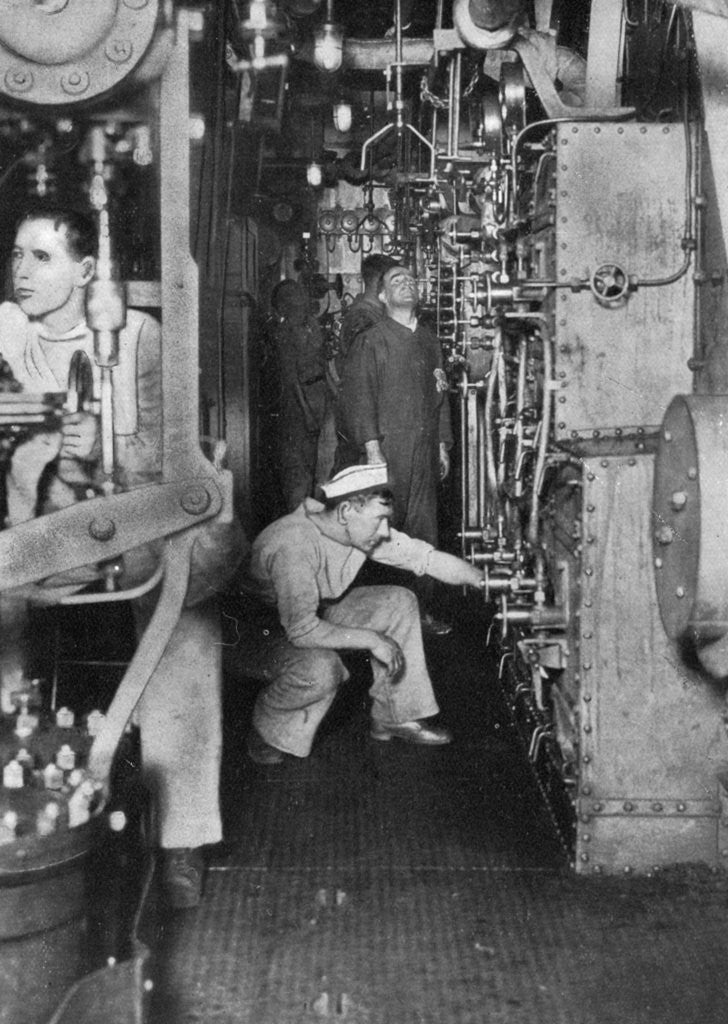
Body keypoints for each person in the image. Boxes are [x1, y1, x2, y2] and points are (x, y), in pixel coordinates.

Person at [0, 206, 244, 909]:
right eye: (17, 255)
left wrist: (100, 451)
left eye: (40, 258)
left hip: (130, 524)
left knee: (186, 623)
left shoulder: (140, 338)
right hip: (34, 530)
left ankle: (182, 838)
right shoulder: (7, 336)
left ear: (85, 270)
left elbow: (172, 458)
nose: (21, 271)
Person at [239, 463, 484, 766]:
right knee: (320, 670)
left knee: (399, 601)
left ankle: (395, 716)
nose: (384, 531)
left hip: (311, 616)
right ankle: (267, 731)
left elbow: (426, 559)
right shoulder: (293, 544)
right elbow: (301, 631)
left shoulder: (350, 527)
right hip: (257, 634)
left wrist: (482, 580)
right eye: (379, 520)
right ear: (345, 511)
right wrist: (372, 640)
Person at [338, 265, 454, 635]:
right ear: (383, 297)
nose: (406, 283)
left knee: (423, 530)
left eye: (411, 279)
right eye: (395, 281)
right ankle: (374, 617)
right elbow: (359, 397)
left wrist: (442, 445)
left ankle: (421, 613)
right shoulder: (371, 340)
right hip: (386, 449)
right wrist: (372, 448)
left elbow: (441, 397)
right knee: (379, 531)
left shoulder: (429, 341)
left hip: (423, 449)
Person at [270, 278, 336, 511]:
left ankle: (318, 514)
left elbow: (322, 362)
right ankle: (298, 517)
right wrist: (307, 413)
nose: (303, 299)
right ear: (286, 304)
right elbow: (290, 378)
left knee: (324, 463)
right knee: (300, 466)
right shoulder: (284, 334)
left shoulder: (311, 326)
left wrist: (333, 393)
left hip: (319, 394)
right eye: (296, 296)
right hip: (299, 402)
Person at [333, 253, 400, 471]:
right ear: (382, 282)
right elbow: (362, 382)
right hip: (364, 427)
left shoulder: (375, 316)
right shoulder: (363, 320)